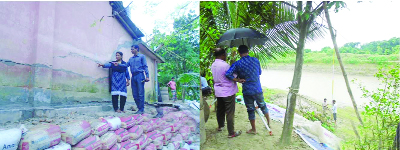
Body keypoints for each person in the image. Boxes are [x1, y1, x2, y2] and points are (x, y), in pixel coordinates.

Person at [225, 45, 271, 135]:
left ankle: (254, 129)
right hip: (257, 88)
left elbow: (228, 74)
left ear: (239, 53)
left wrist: (237, 79)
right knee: (263, 105)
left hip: (247, 90)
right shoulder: (255, 60)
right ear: (248, 51)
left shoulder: (237, 64)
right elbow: (260, 72)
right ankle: (269, 122)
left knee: (250, 109)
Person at [211, 48, 241, 138]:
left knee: (220, 109)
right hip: (228, 91)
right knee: (230, 112)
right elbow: (232, 76)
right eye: (225, 54)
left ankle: (220, 126)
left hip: (218, 91)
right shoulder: (225, 65)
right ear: (223, 55)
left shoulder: (213, 65)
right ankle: (231, 132)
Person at [120, 45, 149, 114]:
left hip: (140, 75)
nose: (131, 50)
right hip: (133, 76)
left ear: (136, 49)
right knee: (135, 94)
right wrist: (118, 64)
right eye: (131, 49)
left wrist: (147, 76)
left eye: (132, 49)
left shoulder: (142, 57)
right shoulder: (131, 59)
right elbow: (126, 65)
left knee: (140, 93)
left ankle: (141, 109)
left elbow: (145, 66)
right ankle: (139, 108)